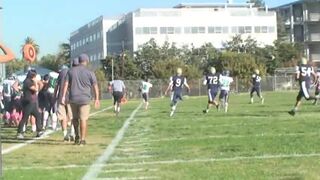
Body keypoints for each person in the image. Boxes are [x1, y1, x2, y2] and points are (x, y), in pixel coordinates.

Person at [62, 54, 100, 146]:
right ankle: (82, 140)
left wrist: (63, 96)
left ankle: (77, 136)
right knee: (83, 119)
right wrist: (97, 98)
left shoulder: (71, 71)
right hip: (85, 99)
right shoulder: (90, 72)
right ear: (86, 61)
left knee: (75, 119)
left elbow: (66, 84)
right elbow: (95, 86)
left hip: (73, 98)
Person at [17, 70, 44, 139]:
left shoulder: (31, 81)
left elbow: (40, 86)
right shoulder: (27, 81)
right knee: (25, 118)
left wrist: (39, 83)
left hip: (33, 102)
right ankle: (19, 133)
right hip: (28, 102)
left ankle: (39, 131)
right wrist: (35, 82)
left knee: (38, 115)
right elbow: (35, 89)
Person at [54, 62, 76, 142]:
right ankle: (72, 133)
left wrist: (54, 96)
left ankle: (65, 135)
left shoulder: (60, 74)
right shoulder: (72, 72)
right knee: (73, 116)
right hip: (70, 97)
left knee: (62, 117)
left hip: (61, 97)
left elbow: (56, 86)